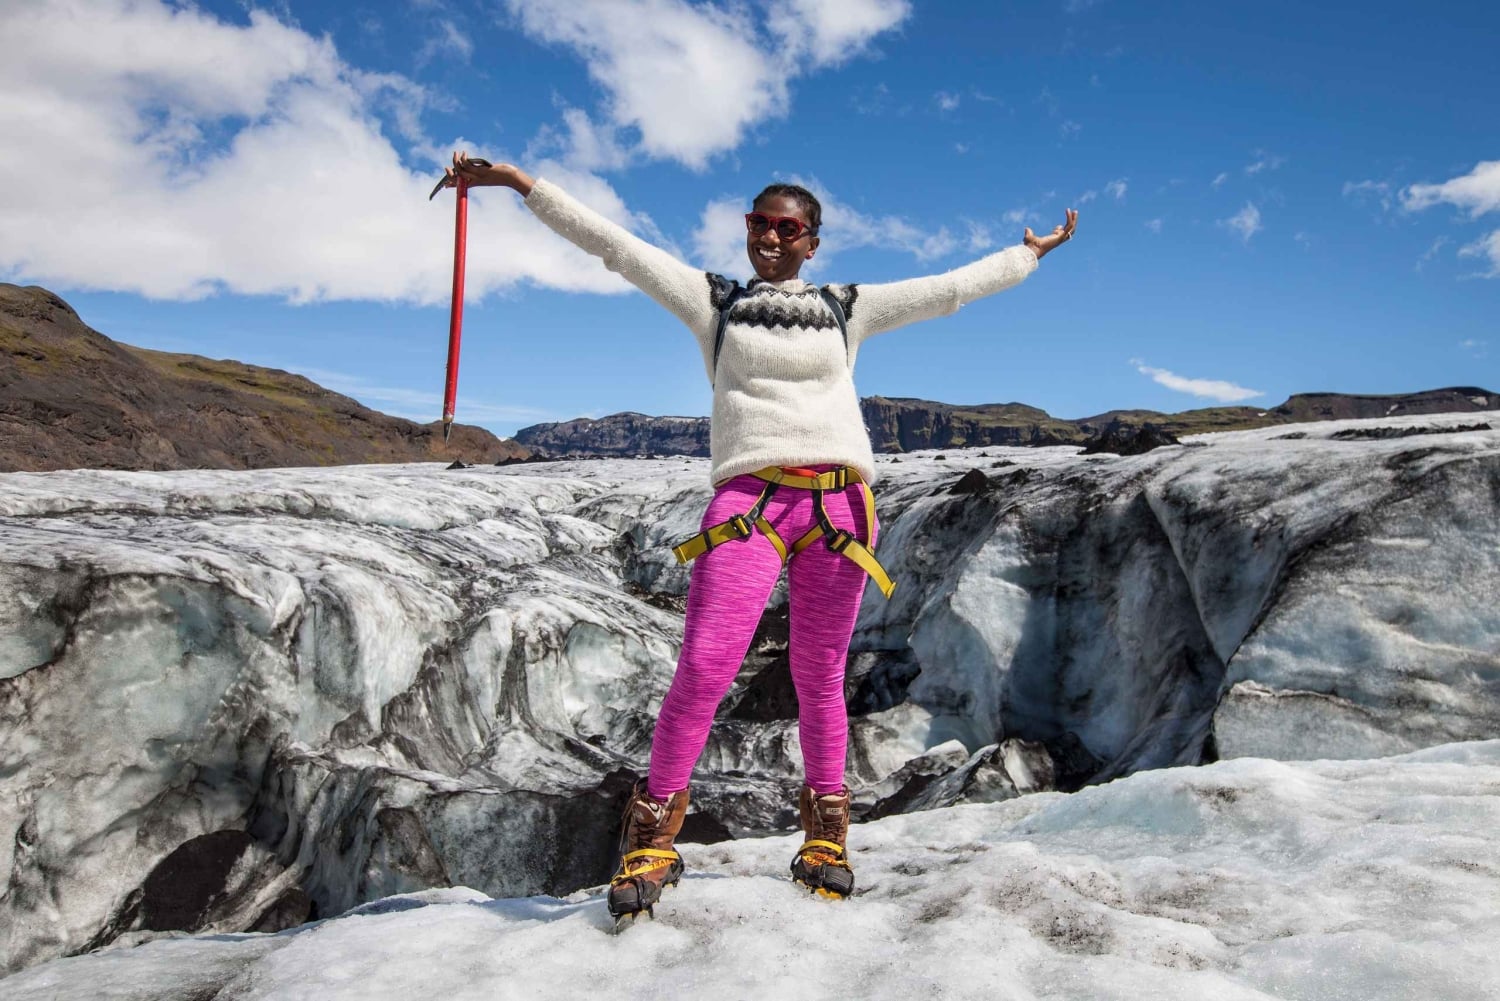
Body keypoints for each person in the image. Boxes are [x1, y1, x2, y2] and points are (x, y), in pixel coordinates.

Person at [442, 153, 1076, 921]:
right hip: (748, 504)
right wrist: (519, 183)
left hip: (840, 510)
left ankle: (825, 839)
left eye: (787, 227)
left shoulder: (849, 307)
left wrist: (1026, 256)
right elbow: (616, 246)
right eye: (758, 223)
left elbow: (945, 291)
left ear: (812, 241)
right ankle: (653, 835)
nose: (769, 237)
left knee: (818, 674)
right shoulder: (716, 303)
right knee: (706, 665)